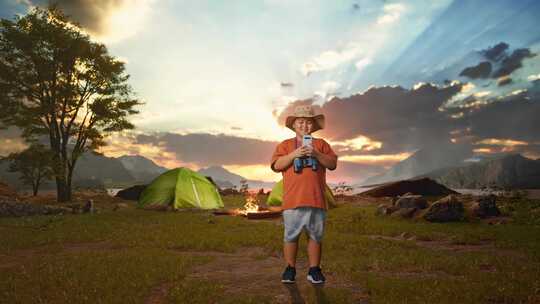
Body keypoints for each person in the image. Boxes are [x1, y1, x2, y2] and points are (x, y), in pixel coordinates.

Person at [270, 105, 338, 284]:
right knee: (291, 235)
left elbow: (332, 164)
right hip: (293, 200)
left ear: (313, 126)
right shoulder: (285, 145)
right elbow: (277, 166)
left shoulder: (322, 145)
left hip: (316, 199)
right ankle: (290, 268)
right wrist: (294, 154)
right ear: (294, 125)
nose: (304, 126)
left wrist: (315, 154)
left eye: (308, 123)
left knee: (316, 236)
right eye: (301, 122)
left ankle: (314, 270)